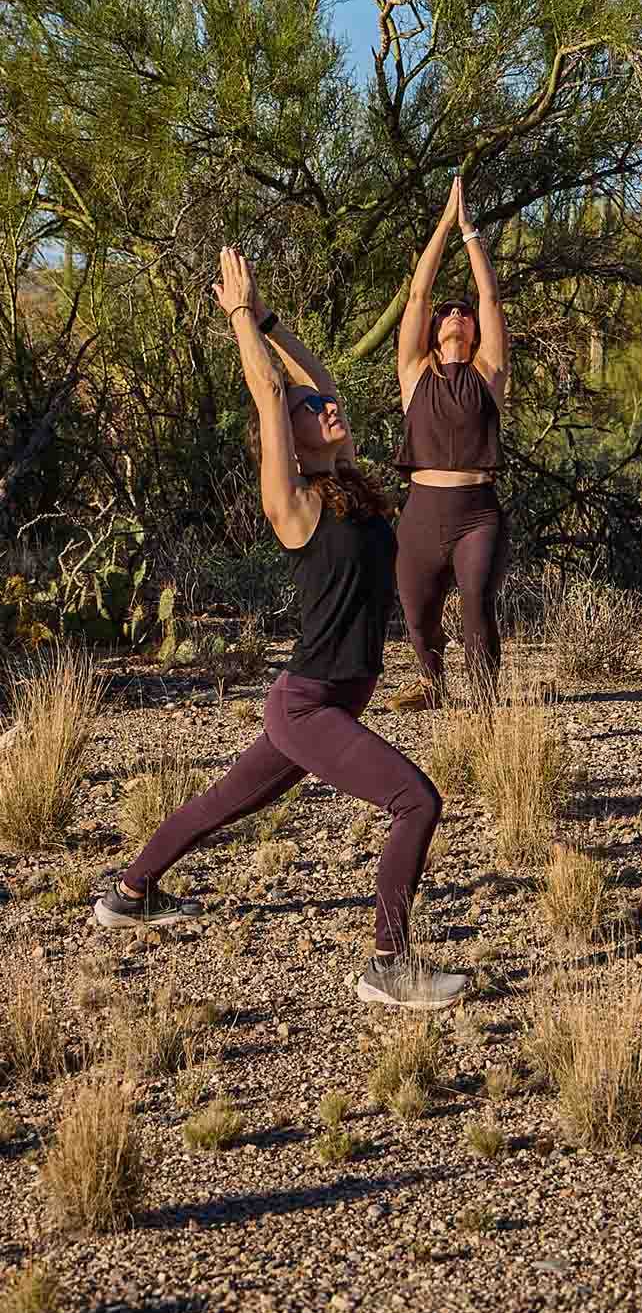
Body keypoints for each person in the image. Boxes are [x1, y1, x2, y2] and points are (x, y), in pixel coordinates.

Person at [94, 249, 467, 1011]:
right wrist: (239, 315)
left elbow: (314, 377)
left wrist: (270, 319)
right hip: (311, 704)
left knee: (225, 803)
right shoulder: (293, 502)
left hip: (323, 703)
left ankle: (130, 893)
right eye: (309, 413)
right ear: (287, 441)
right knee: (417, 802)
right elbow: (271, 389)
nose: (324, 407)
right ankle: (388, 964)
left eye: (324, 407)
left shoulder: (349, 485)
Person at [391, 176, 511, 709]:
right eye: (448, 311)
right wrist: (442, 225)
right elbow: (418, 293)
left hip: (476, 513)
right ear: (435, 327)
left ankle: (485, 708)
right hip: (420, 512)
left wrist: (469, 233)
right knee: (417, 613)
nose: (457, 314)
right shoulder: (416, 373)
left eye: (463, 312)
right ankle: (430, 681)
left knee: (478, 606)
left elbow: (489, 295)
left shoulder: (489, 373)